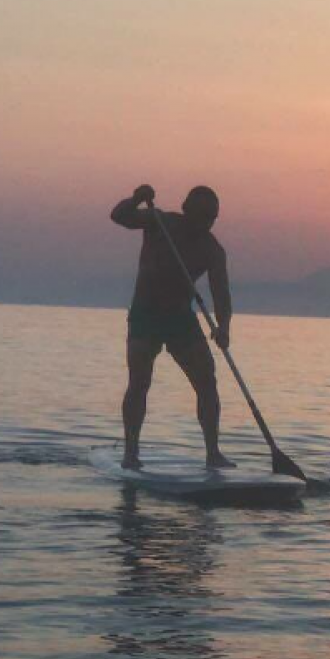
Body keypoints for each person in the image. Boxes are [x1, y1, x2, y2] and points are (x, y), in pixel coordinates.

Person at [110, 184, 235, 470]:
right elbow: (119, 216)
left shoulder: (212, 250)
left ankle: (213, 453)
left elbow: (222, 294)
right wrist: (136, 199)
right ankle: (131, 452)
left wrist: (223, 326)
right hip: (145, 315)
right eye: (202, 215)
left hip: (181, 319)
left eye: (212, 217)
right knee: (139, 382)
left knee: (207, 381)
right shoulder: (159, 223)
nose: (206, 222)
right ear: (186, 209)